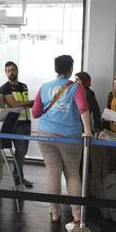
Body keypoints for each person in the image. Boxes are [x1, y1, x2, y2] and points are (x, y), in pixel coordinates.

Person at [32, 55, 92, 223]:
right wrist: (87, 131)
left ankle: (55, 213)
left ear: (55, 68)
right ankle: (77, 214)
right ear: (71, 70)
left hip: (45, 133)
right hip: (69, 137)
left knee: (52, 172)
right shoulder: (76, 88)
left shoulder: (44, 87)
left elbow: (35, 113)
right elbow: (83, 108)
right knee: (72, 173)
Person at [0, 61, 34, 188]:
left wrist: (27, 103)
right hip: (15, 124)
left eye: (13, 70)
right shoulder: (5, 88)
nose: (10, 73)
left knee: (23, 152)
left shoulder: (24, 86)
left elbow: (23, 103)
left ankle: (19, 176)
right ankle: (19, 178)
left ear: (17, 71)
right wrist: (29, 102)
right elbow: (14, 104)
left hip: (26, 122)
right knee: (20, 151)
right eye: (8, 71)